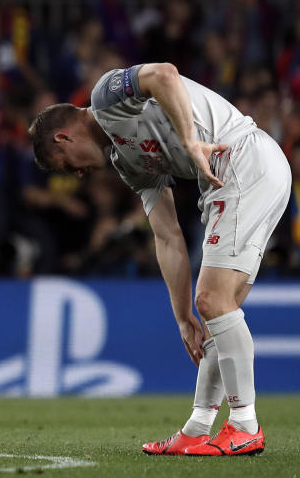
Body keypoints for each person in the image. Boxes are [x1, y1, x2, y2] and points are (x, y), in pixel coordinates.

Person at [28, 63, 290, 456]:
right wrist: (183, 316)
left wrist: (189, 140)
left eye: (67, 165)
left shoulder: (105, 98)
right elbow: (166, 236)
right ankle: (199, 426)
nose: (77, 174)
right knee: (216, 309)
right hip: (243, 175)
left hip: (242, 160)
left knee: (213, 301)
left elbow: (165, 74)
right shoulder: (125, 161)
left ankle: (244, 425)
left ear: (63, 138)